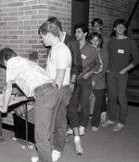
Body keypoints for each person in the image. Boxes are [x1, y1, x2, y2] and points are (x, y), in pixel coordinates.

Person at [0, 47, 63, 162]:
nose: (6, 67)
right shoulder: (26, 62)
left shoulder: (11, 63)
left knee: (41, 137)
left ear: (5, 60)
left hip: (44, 95)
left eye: (4, 65)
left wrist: (4, 107)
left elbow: (8, 89)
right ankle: (46, 158)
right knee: (48, 131)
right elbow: (36, 88)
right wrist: (21, 97)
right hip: (55, 92)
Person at [38, 21, 72, 162]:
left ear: (50, 35)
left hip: (59, 90)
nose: (41, 39)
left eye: (42, 36)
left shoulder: (61, 50)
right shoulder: (55, 48)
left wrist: (49, 96)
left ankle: (58, 148)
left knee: (59, 122)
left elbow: (59, 78)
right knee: (50, 123)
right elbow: (50, 73)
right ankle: (48, 151)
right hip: (53, 90)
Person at [67, 23, 100, 155]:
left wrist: (90, 73)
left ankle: (82, 126)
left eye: (79, 32)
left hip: (85, 79)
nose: (76, 34)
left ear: (85, 33)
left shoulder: (92, 49)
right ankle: (74, 125)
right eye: (75, 32)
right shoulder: (72, 46)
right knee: (72, 104)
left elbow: (97, 65)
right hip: (74, 79)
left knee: (85, 103)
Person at [102, 19, 139, 131]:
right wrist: (107, 69)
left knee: (121, 98)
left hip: (122, 75)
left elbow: (136, 60)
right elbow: (107, 56)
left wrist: (125, 70)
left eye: (122, 27)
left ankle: (121, 121)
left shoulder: (130, 42)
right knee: (112, 97)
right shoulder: (111, 42)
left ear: (125, 29)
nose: (120, 28)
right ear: (114, 29)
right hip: (111, 74)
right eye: (118, 26)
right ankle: (112, 119)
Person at [88, 32, 109, 131]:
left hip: (99, 82)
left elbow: (104, 69)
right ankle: (82, 122)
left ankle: (95, 123)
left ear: (100, 41)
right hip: (87, 79)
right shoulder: (87, 51)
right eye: (93, 40)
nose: (95, 42)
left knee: (97, 104)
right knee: (85, 102)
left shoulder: (104, 52)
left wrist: (94, 80)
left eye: (97, 40)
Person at [91, 18, 109, 121]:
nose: (95, 27)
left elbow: (108, 53)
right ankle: (97, 111)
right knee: (96, 92)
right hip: (94, 66)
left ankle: (103, 111)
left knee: (101, 90)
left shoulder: (106, 38)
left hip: (103, 66)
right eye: (94, 25)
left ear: (101, 26)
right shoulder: (91, 37)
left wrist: (107, 67)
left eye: (97, 25)